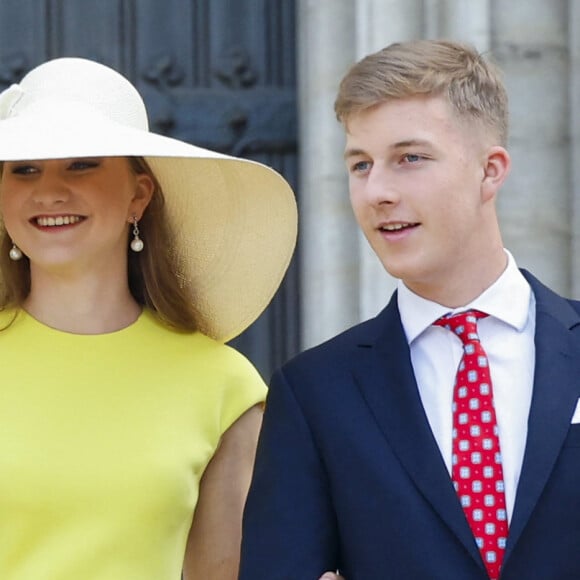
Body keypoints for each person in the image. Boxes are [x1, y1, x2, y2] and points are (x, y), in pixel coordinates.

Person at [239, 39, 580, 580]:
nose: (376, 191)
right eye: (360, 165)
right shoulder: (313, 395)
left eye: (409, 158)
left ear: (490, 171)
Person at [0, 56, 300, 580]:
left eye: (81, 163)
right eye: (24, 169)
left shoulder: (221, 385)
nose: (48, 190)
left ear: (139, 194)